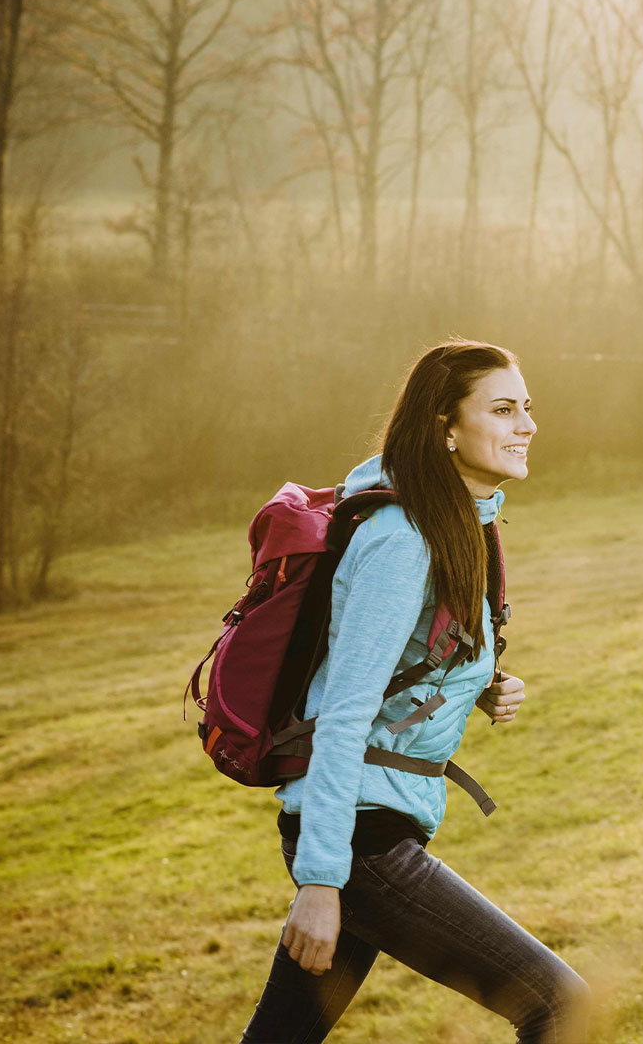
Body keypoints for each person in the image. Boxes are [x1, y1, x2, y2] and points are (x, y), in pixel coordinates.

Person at [239, 339, 591, 1043]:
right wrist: (320, 881)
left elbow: (408, 662)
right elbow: (343, 712)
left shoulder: (455, 523)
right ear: (446, 427)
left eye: (527, 408)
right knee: (560, 1006)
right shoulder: (405, 542)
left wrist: (479, 687)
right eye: (502, 408)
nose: (527, 425)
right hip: (360, 841)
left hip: (367, 828)